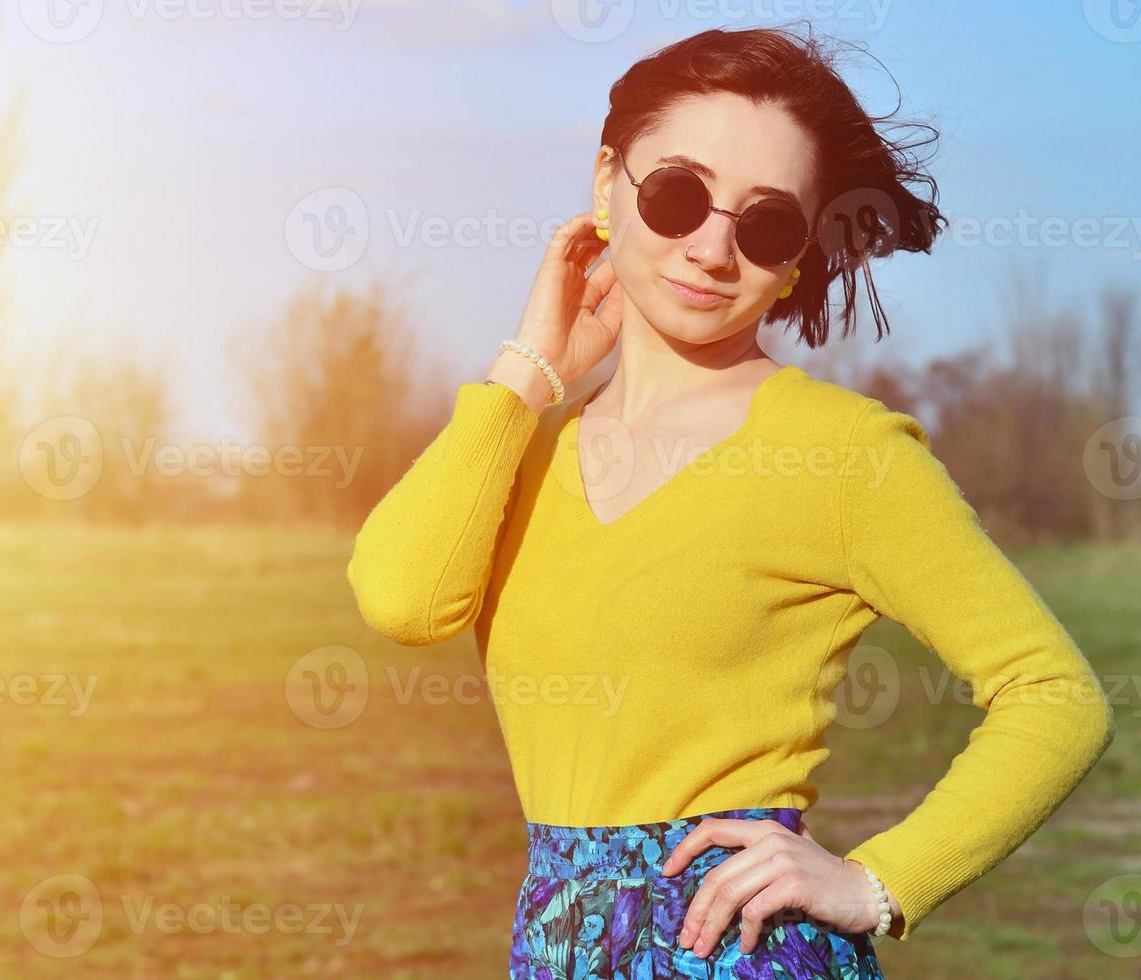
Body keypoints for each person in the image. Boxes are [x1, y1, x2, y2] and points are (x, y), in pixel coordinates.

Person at [345, 25, 1116, 979]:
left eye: (766, 223)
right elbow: (402, 598)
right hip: (556, 948)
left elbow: (1057, 697)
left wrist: (878, 884)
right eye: (676, 194)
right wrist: (527, 372)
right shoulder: (522, 452)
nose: (712, 248)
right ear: (605, 185)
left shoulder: (845, 455)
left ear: (799, 253)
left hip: (745, 951)